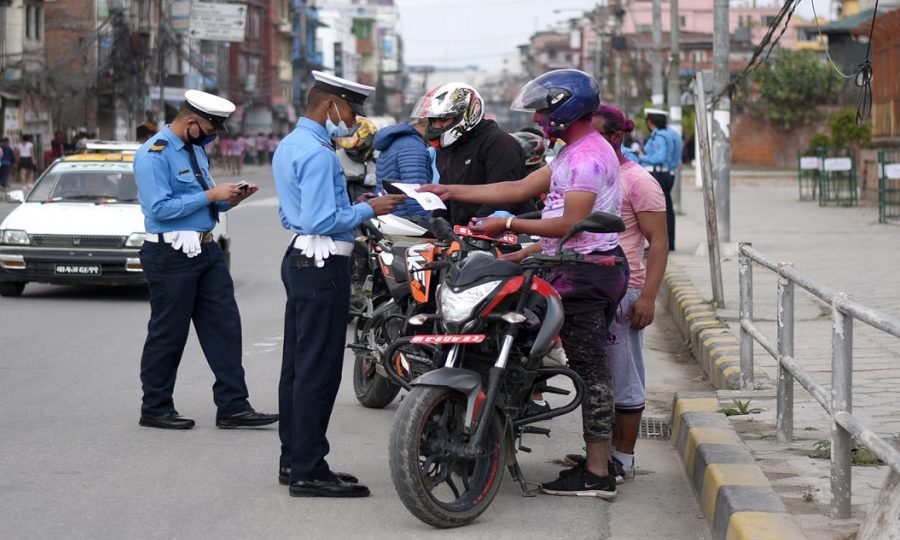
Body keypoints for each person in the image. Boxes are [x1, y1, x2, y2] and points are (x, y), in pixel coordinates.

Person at [421, 69, 627, 500]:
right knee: (502, 337)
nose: (536, 117)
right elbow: (518, 186)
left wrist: (510, 224)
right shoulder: (569, 153)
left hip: (586, 272)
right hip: (561, 263)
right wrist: (448, 189)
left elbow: (571, 223)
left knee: (590, 370)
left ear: (564, 109)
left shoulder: (588, 156)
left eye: (541, 109)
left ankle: (598, 473)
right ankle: (501, 429)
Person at [272, 71, 404, 498]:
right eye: (349, 110)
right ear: (330, 106)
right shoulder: (318, 153)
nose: (352, 120)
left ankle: (295, 459)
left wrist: (352, 206)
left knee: (297, 367)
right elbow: (318, 220)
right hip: (321, 262)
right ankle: (309, 471)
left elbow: (299, 215)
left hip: (301, 258)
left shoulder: (292, 144)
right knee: (318, 371)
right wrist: (369, 210)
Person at [133, 89, 278, 431]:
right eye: (211, 130)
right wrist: (211, 194)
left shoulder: (196, 151)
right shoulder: (154, 154)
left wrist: (231, 198)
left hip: (207, 250)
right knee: (168, 333)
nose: (214, 137)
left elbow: (204, 203)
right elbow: (158, 208)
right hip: (170, 253)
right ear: (191, 122)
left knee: (225, 327)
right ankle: (155, 406)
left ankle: (233, 406)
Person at [590, 105, 668, 483]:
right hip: (590, 288)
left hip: (624, 289)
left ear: (616, 138)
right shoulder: (586, 174)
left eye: (594, 137)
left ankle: (624, 459)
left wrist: (648, 297)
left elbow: (659, 242)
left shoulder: (637, 181)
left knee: (624, 375)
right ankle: (601, 457)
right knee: (597, 374)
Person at [413, 82, 533, 225]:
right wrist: (437, 226)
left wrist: (473, 230)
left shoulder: (498, 143)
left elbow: (502, 198)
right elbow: (446, 196)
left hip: (503, 233)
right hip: (463, 236)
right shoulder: (450, 146)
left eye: (443, 120)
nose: (437, 126)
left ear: (466, 114)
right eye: (433, 121)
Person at [373, 119, 432, 218]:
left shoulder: (396, 142)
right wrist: (426, 221)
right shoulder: (412, 147)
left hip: (390, 216)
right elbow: (414, 192)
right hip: (406, 220)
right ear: (431, 126)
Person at [638, 109, 676, 251]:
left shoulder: (659, 137)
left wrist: (641, 157)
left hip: (659, 174)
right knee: (667, 210)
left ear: (650, 122)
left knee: (658, 211)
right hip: (667, 173)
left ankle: (663, 243)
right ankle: (669, 243)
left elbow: (659, 157)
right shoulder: (669, 134)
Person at [334, 117, 378, 204]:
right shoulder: (337, 157)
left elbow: (388, 178)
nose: (354, 151)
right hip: (349, 209)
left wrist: (363, 179)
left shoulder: (380, 155)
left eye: (357, 147)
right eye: (349, 148)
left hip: (375, 208)